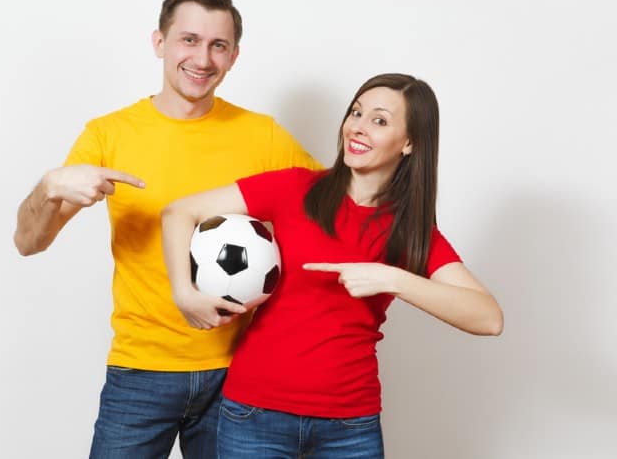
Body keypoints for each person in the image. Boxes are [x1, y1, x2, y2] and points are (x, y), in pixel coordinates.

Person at [13, 0, 320, 458]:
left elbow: (337, 209)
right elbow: (28, 242)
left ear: (234, 56)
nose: (203, 58)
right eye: (189, 40)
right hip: (140, 373)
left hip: (237, 377)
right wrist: (50, 186)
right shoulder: (108, 135)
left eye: (218, 45)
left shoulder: (264, 137)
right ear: (160, 42)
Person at [161, 73, 504, 458]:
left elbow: (488, 318)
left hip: (349, 427)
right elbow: (180, 212)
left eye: (379, 120)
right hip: (255, 416)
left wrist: (392, 277)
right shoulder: (294, 188)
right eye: (356, 112)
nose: (357, 127)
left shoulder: (411, 233)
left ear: (410, 143)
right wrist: (184, 293)